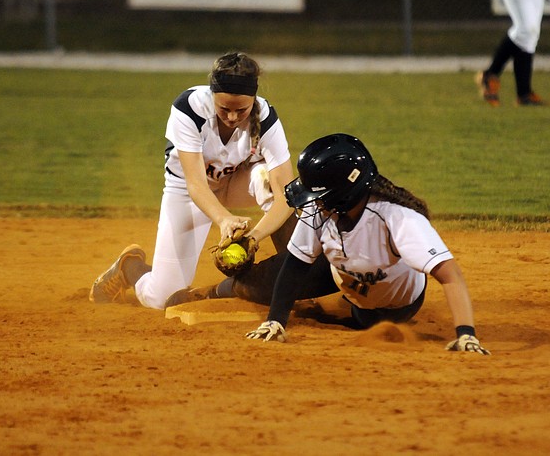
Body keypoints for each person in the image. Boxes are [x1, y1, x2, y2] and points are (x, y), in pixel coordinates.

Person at [172, 133, 490, 354]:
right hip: (336, 268)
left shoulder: (398, 221)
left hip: (388, 303)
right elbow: (295, 268)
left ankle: (269, 200)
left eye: (319, 194)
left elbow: (450, 274)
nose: (314, 202)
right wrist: (276, 320)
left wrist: (467, 335)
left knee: (348, 318)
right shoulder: (324, 210)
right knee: (259, 285)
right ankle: (217, 290)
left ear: (344, 193)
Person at [88, 52, 297, 310]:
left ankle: (296, 280)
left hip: (237, 183)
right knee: (162, 298)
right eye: (224, 109)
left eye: (241, 110)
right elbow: (196, 184)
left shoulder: (266, 118)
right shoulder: (189, 108)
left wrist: (253, 238)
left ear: (253, 100)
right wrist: (224, 219)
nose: (232, 117)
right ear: (212, 97)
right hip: (188, 192)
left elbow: (286, 195)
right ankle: (129, 267)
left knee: (267, 179)